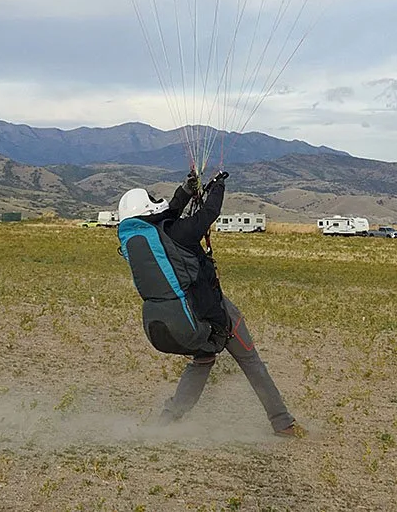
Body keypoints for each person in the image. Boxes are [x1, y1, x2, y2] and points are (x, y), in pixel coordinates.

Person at [117, 170, 300, 436]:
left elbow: (167, 218)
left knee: (203, 359)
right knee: (249, 359)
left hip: (164, 325)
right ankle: (283, 423)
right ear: (148, 208)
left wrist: (185, 191)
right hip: (205, 313)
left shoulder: (137, 241)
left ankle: (166, 422)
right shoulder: (179, 233)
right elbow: (208, 214)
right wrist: (218, 187)